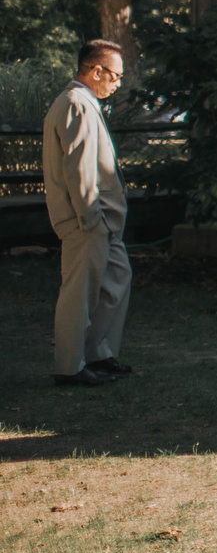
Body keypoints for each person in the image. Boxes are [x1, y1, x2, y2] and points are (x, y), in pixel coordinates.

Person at [43, 40, 134, 389]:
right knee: (79, 294)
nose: (118, 83)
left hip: (103, 221)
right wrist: (90, 218)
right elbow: (78, 169)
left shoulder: (83, 103)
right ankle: (69, 367)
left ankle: (99, 352)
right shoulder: (75, 104)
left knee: (116, 280)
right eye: (115, 76)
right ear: (96, 71)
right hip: (88, 220)